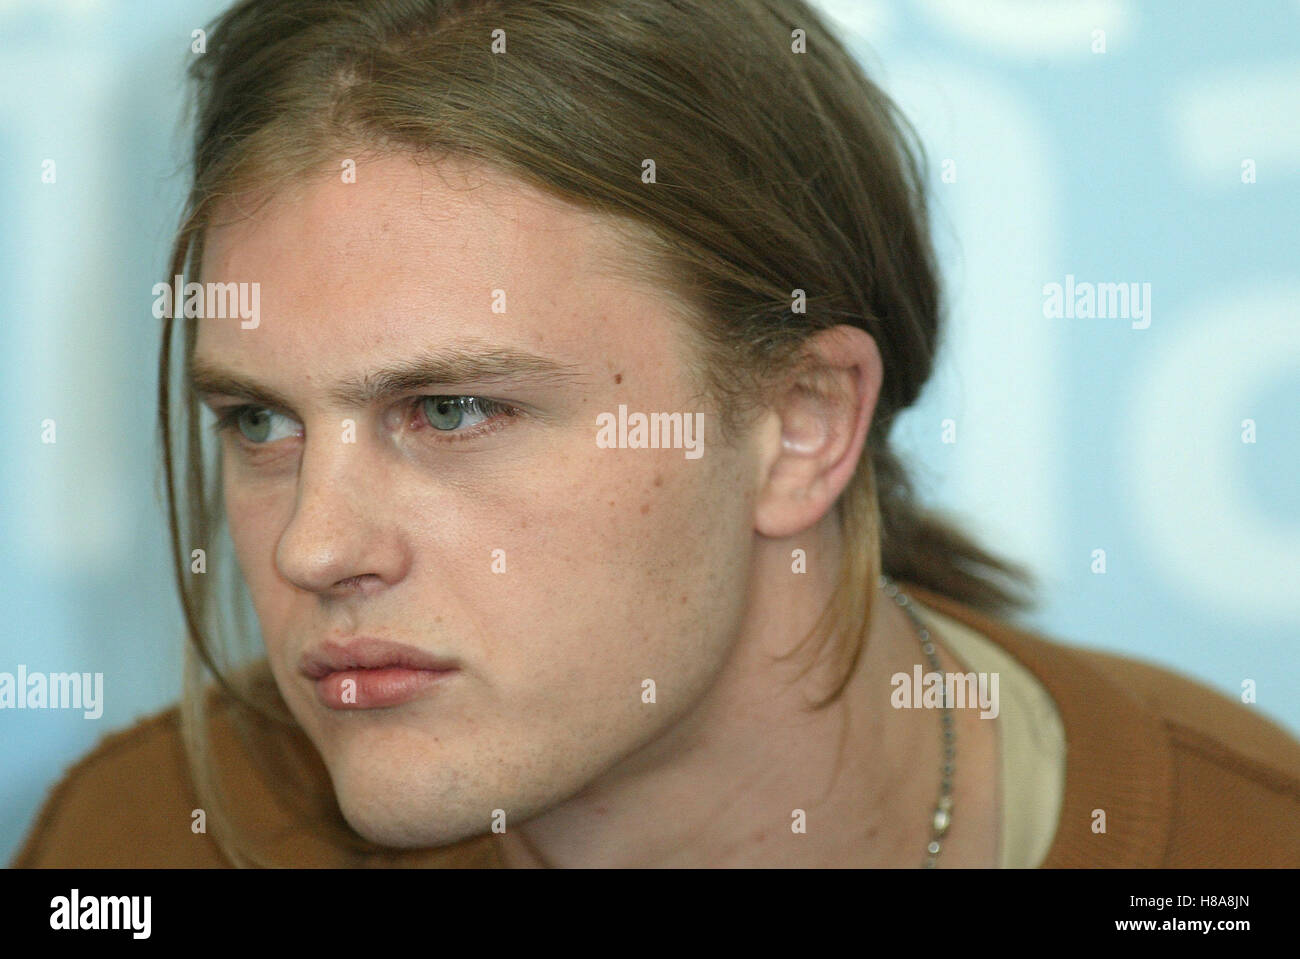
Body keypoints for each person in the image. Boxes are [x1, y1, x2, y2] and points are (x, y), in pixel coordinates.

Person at [13, 0, 1300, 869]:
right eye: (259, 420)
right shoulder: (142, 844)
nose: (313, 545)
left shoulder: (1233, 845)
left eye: (453, 408)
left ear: (802, 424)